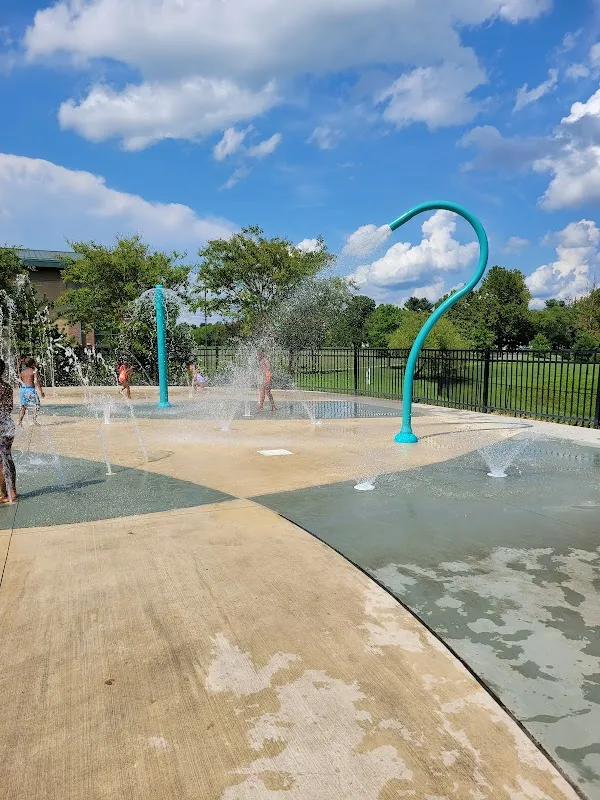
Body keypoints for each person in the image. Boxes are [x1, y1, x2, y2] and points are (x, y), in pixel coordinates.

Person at [0, 358, 17, 503]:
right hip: (8, 425)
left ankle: (4, 494)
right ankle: (13, 490)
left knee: (0, 460)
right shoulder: (7, 387)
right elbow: (9, 408)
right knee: (8, 457)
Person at [18, 357, 44, 426]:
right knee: (36, 405)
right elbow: (36, 381)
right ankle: (34, 420)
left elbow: (20, 381)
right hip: (30, 389)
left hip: (23, 389)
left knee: (23, 406)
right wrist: (41, 391)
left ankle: (20, 421)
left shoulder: (22, 372)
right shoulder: (34, 371)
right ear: (33, 364)